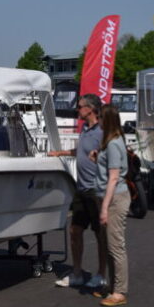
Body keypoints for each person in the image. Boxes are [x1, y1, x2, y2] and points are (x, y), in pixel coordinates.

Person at [48, 93, 108, 290]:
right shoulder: (85, 129)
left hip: (96, 190)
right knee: (75, 230)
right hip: (81, 188)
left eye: (80, 107)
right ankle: (77, 273)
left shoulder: (102, 131)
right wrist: (60, 153)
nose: (77, 110)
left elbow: (109, 155)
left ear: (90, 109)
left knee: (100, 234)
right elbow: (80, 151)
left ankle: (101, 274)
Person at [92, 104, 131, 307]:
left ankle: (120, 291)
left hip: (115, 198)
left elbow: (114, 177)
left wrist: (105, 207)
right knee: (108, 244)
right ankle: (113, 286)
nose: (97, 120)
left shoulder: (114, 143)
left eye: (99, 117)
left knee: (115, 246)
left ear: (105, 119)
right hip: (109, 196)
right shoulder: (109, 142)